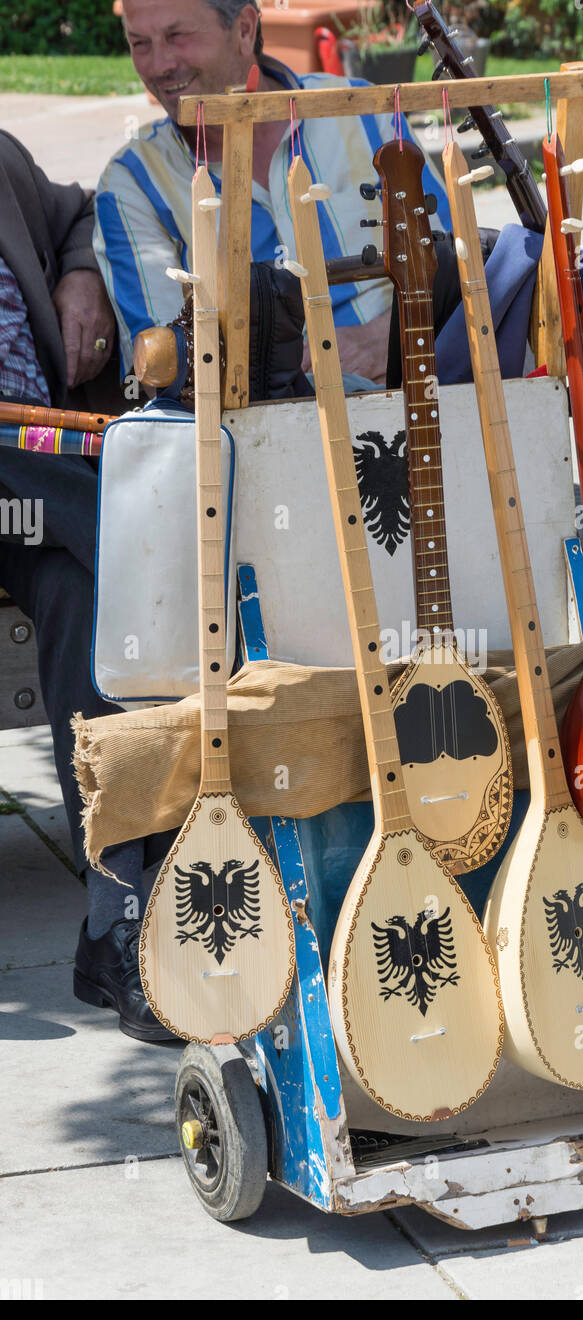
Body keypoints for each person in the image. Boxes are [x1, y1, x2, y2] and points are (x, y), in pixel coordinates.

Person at [0, 130, 174, 1044]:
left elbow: (72, 213)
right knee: (131, 527)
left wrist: (77, 277)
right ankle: (161, 539)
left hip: (30, 487)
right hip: (30, 465)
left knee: (89, 594)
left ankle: (118, 923)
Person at [95, 0, 450, 388]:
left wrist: (385, 339)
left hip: (419, 391)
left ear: (245, 29)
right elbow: (163, 371)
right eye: (139, 43)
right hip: (258, 434)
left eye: (177, 36)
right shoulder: (132, 182)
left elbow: (455, 271)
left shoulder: (364, 111)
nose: (159, 65)